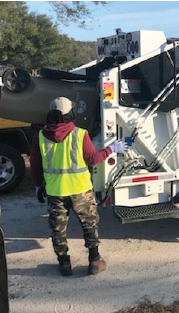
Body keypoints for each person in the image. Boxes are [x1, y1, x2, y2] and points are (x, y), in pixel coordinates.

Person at [30, 96, 127, 276]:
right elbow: (92, 159)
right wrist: (112, 149)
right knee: (89, 225)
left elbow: (35, 164)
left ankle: (64, 264)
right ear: (70, 114)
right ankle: (95, 261)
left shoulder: (41, 136)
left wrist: (38, 186)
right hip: (80, 190)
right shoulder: (80, 134)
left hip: (55, 191)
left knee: (58, 229)